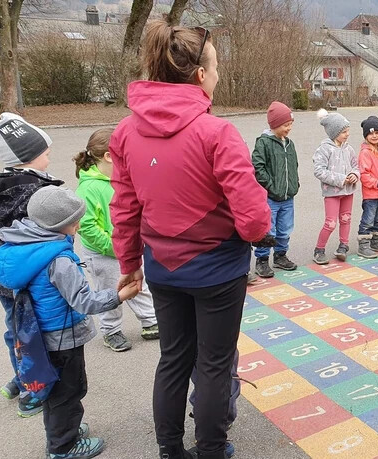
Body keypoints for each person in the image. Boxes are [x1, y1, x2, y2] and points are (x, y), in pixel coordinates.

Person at [109, 21, 272, 459]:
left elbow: (124, 208)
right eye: (215, 68)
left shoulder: (124, 132)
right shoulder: (215, 132)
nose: (216, 76)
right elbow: (255, 219)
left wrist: (129, 265)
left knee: (173, 359)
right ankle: (212, 450)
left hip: (162, 266)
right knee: (215, 364)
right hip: (218, 268)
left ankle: (169, 450)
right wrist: (252, 235)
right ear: (200, 75)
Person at [0, 186, 140, 459]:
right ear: (59, 225)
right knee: (69, 391)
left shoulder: (22, 245)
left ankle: (62, 432)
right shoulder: (59, 259)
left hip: (40, 335)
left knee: (55, 391)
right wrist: (120, 295)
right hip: (63, 337)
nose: (78, 225)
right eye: (75, 221)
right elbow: (84, 302)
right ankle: (64, 447)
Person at [0, 112, 62, 417]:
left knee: (14, 328)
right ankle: (32, 388)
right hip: (30, 278)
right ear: (29, 157)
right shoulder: (32, 190)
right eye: (46, 155)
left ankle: (19, 376)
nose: (50, 160)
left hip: (6, 277)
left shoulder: (4, 185)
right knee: (32, 333)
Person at [73, 128, 159, 353]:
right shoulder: (88, 188)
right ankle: (111, 330)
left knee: (138, 285)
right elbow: (87, 227)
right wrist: (115, 247)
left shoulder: (119, 181)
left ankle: (150, 319)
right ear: (109, 156)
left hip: (124, 248)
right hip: (103, 253)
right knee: (110, 290)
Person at [252, 101, 299, 278]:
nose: (289, 128)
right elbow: (258, 167)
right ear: (275, 124)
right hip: (271, 197)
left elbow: (293, 165)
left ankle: (280, 255)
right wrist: (270, 186)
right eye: (286, 125)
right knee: (268, 230)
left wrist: (295, 184)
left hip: (288, 196)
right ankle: (262, 260)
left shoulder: (290, 144)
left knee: (285, 228)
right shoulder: (264, 143)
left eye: (290, 125)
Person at [313, 109, 358, 265]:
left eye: (348, 131)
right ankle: (319, 249)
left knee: (346, 219)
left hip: (348, 192)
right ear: (334, 132)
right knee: (330, 223)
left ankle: (343, 246)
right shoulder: (324, 149)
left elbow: (356, 166)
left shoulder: (349, 149)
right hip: (332, 192)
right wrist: (341, 179)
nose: (347, 134)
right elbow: (319, 170)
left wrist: (355, 175)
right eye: (344, 131)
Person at [357, 116, 378, 258]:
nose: (374, 136)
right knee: (368, 219)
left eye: (377, 133)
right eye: (370, 134)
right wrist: (375, 183)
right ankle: (363, 245)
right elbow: (363, 173)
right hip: (371, 194)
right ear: (366, 136)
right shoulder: (365, 152)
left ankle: (375, 241)